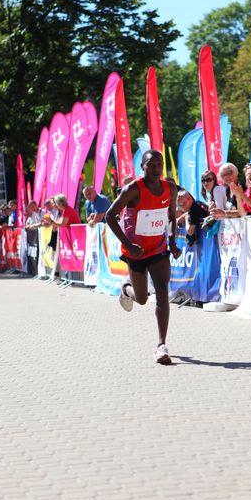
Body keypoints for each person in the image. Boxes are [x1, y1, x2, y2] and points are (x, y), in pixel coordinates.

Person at [105, 149, 181, 365]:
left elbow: (171, 217)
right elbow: (110, 216)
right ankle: (125, 288)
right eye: (151, 165)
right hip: (136, 252)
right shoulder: (133, 189)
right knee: (142, 299)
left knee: (163, 293)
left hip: (158, 249)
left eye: (159, 165)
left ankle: (161, 345)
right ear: (142, 167)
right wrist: (129, 245)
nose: (156, 169)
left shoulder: (170, 188)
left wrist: (173, 242)